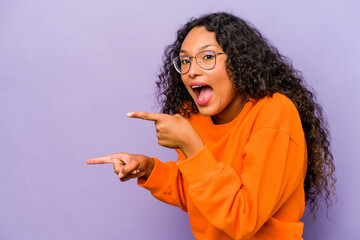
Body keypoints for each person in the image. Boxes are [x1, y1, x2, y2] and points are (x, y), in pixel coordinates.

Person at [86, 12, 336, 240]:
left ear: (239, 62)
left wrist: (191, 146)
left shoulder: (275, 112)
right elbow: (199, 194)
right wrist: (149, 169)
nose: (192, 71)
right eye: (184, 61)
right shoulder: (193, 117)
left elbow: (242, 218)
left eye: (207, 57)